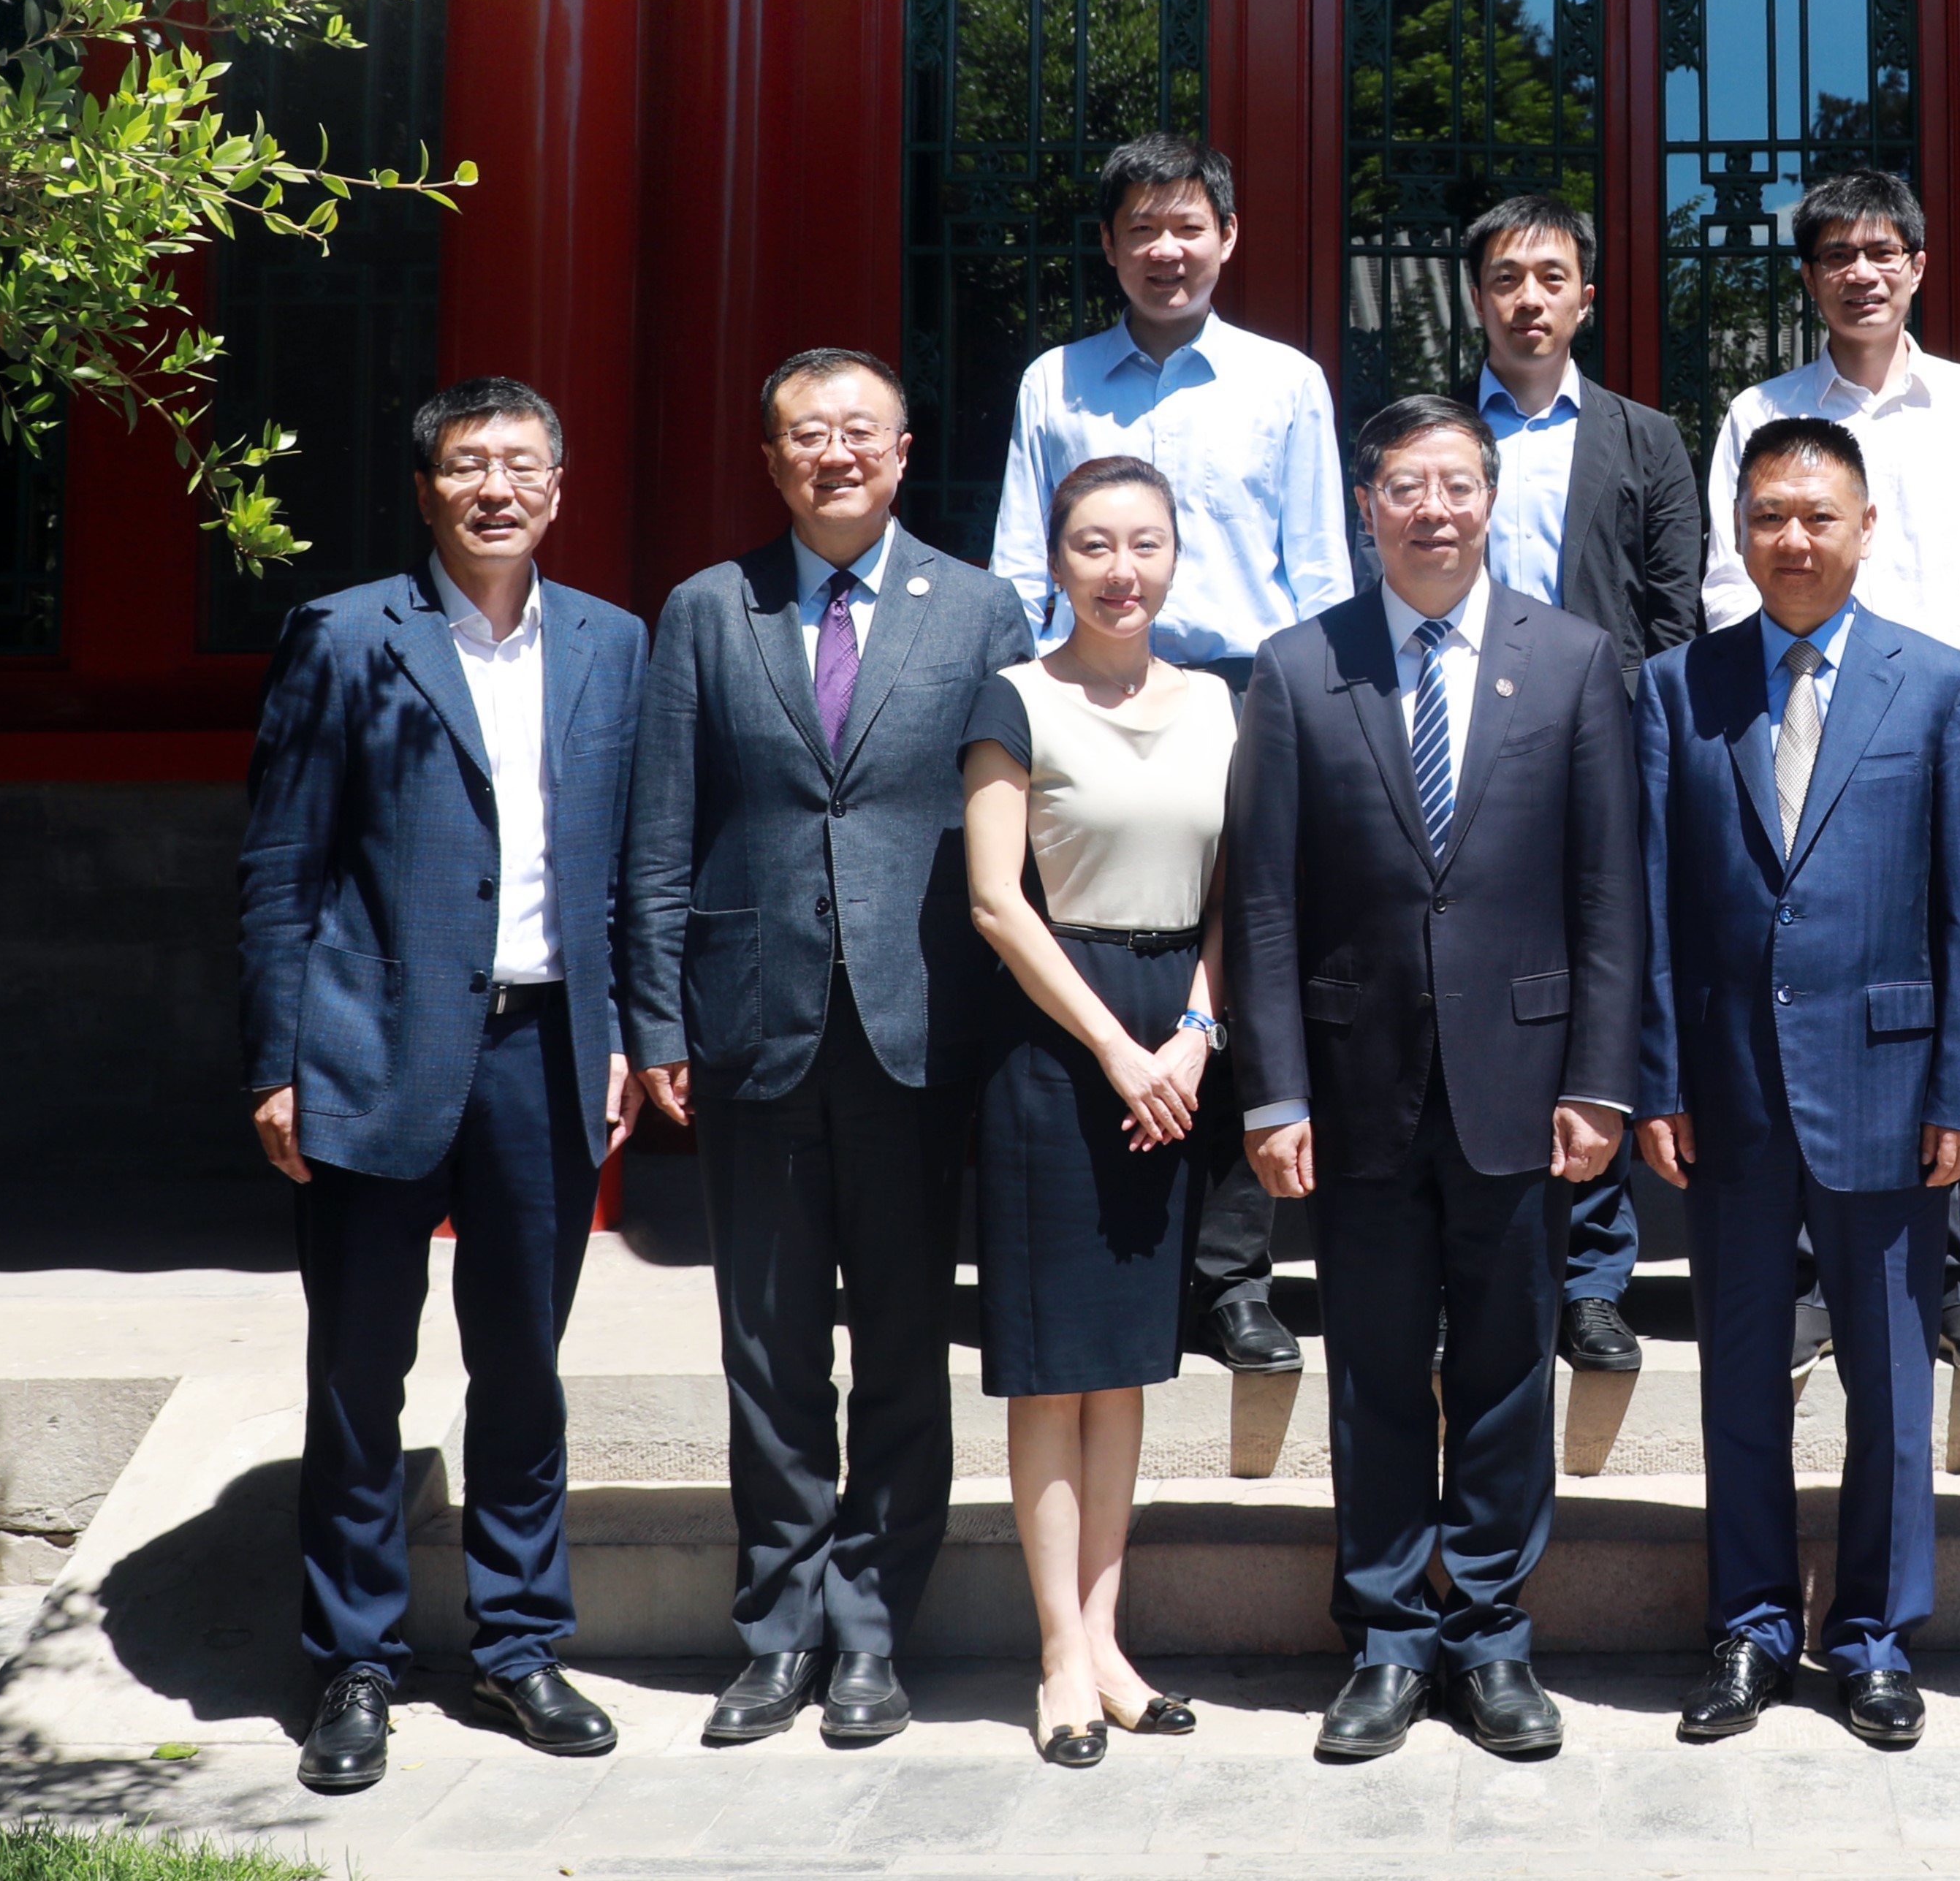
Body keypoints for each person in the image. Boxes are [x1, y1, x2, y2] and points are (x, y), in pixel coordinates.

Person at [620, 349, 1037, 1752]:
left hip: (921, 1022)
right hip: (752, 1022)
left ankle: (870, 1629)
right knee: (771, 1348)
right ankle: (777, 1627)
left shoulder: (981, 609)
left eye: (861, 431)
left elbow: (1014, 829)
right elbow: (661, 830)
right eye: (807, 434)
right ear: (772, 458)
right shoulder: (707, 609)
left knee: (906, 1344)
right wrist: (656, 1016)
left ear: (904, 452)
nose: (836, 453)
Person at [239, 377, 647, 1796]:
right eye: (467, 466)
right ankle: (354, 1659)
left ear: (558, 488)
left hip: (546, 1048)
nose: (495, 489)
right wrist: (277, 1063)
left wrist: (625, 1033)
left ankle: (520, 1642)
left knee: (521, 1363)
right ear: (425, 492)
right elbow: (282, 867)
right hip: (369, 1048)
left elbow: (628, 869)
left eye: (521, 465)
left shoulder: (610, 643)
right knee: (361, 1368)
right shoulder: (347, 635)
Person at [1226, 396, 1645, 1764]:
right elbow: (1266, 901)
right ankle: (1389, 1638)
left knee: (1511, 1367)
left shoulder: (1572, 660)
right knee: (1377, 1371)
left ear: (1490, 500)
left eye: (1457, 484)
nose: (1433, 511)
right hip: (1354, 1084)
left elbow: (1608, 890)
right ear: (1367, 507)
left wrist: (1601, 1079)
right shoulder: (1298, 668)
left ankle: (1492, 1635)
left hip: (1525, 1081)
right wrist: (1273, 1091)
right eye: (1405, 486)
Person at [1634, 418, 1960, 1752]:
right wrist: (1657, 1079)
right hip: (1728, 1088)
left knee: (1891, 1386)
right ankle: (1748, 1627)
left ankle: (1872, 1638)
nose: (1792, 540)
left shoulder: (1940, 685)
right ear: (1737, 533)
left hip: (1892, 1087)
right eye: (1768, 517)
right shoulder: (1676, 686)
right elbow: (1654, 903)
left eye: (1817, 516)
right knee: (1740, 1374)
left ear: (1864, 529)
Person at [990, 134, 1355, 1381]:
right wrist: (1027, 704)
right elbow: (1016, 563)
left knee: (1243, 964)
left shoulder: (1283, 383)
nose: (1166, 249)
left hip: (1242, 693)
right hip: (1083, 689)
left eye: (1188, 224)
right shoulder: (1054, 382)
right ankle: (1113, 1248)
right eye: (1140, 227)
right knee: (1106, 954)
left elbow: (1319, 568)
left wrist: (1317, 718)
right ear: (1108, 246)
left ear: (1228, 236)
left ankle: (1233, 1277)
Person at [1695, 170, 1960, 1383]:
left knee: (1950, 971)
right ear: (1809, 278)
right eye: (1836, 255)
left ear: (1919, 265)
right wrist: (1812, 676)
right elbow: (1726, 582)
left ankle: (1958, 1277)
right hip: (1791, 727)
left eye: (1882, 251)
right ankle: (1803, 1278)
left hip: (1938, 725)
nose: (1861, 273)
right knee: (1801, 978)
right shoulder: (1761, 410)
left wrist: (1904, 685)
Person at [961, 456, 1236, 1768]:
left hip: (1179, 1042)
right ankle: (1058, 1654)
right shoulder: (1014, 697)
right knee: (1052, 1369)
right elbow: (995, 902)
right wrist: (1122, 1050)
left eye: (1144, 544)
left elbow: (1239, 894)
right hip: (1057, 1043)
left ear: (1176, 556)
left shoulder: (1219, 702)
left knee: (1126, 1363)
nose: (1120, 571)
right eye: (1092, 546)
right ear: (1056, 560)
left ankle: (1110, 1643)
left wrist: (1193, 1035)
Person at [1451, 190, 1705, 1378]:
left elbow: (1673, 614)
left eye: (1551, 277)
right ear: (1477, 298)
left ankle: (1595, 1277)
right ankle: (1475, 1264)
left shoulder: (1644, 439)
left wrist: (1603, 719)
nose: (1529, 299)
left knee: (1600, 996)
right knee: (1471, 993)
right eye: (1506, 278)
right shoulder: (1432, 431)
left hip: (1601, 749)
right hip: (1448, 750)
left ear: (1586, 298)